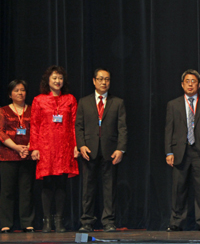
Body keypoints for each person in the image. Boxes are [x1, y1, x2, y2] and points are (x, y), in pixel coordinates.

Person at [76, 68, 127, 233]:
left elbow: (123, 128)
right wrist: (81, 145)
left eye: (107, 79)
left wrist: (121, 149)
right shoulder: (84, 102)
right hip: (89, 150)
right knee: (88, 188)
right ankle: (86, 221)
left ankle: (108, 221)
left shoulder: (117, 102)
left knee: (109, 188)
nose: (104, 82)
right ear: (93, 81)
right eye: (100, 79)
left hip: (110, 151)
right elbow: (79, 126)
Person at [165, 69, 200, 232]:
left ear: (199, 84)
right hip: (180, 151)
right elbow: (169, 129)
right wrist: (169, 152)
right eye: (187, 81)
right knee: (178, 189)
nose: (190, 84)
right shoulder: (173, 104)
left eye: (193, 81)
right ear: (182, 84)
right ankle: (176, 222)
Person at [30, 65, 79, 233]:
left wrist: (75, 146)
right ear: (48, 81)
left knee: (61, 183)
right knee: (47, 183)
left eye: (60, 78)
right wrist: (34, 148)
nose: (58, 81)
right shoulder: (39, 100)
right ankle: (46, 221)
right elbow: (35, 125)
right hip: (45, 147)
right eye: (54, 78)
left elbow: (74, 125)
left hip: (65, 146)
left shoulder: (70, 99)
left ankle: (59, 221)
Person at [0, 80, 35, 233]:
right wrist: (15, 147)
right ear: (10, 94)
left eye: (22, 90)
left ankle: (27, 222)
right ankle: (6, 223)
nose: (20, 93)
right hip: (7, 155)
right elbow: (0, 132)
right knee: (7, 191)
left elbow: (38, 130)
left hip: (27, 155)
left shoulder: (33, 110)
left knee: (26, 190)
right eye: (16, 90)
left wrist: (28, 148)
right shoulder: (3, 111)